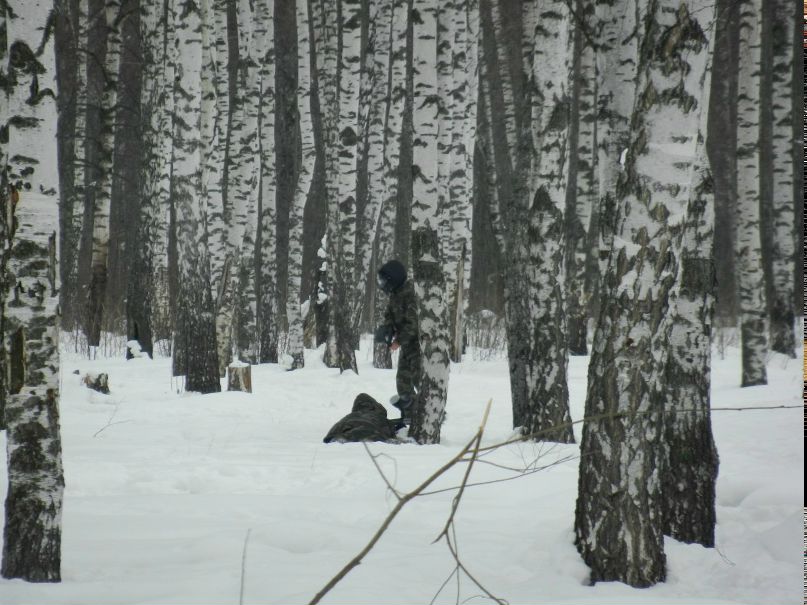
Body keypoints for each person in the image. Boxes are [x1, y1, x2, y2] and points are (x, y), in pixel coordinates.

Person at [374, 259, 421, 423]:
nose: (382, 284)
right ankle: (410, 414)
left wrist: (398, 341)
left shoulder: (410, 294)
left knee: (420, 381)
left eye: (385, 280)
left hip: (419, 346)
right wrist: (387, 330)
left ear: (393, 278)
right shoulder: (395, 295)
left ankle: (429, 414)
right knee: (403, 382)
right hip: (407, 345)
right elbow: (389, 315)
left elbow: (414, 324)